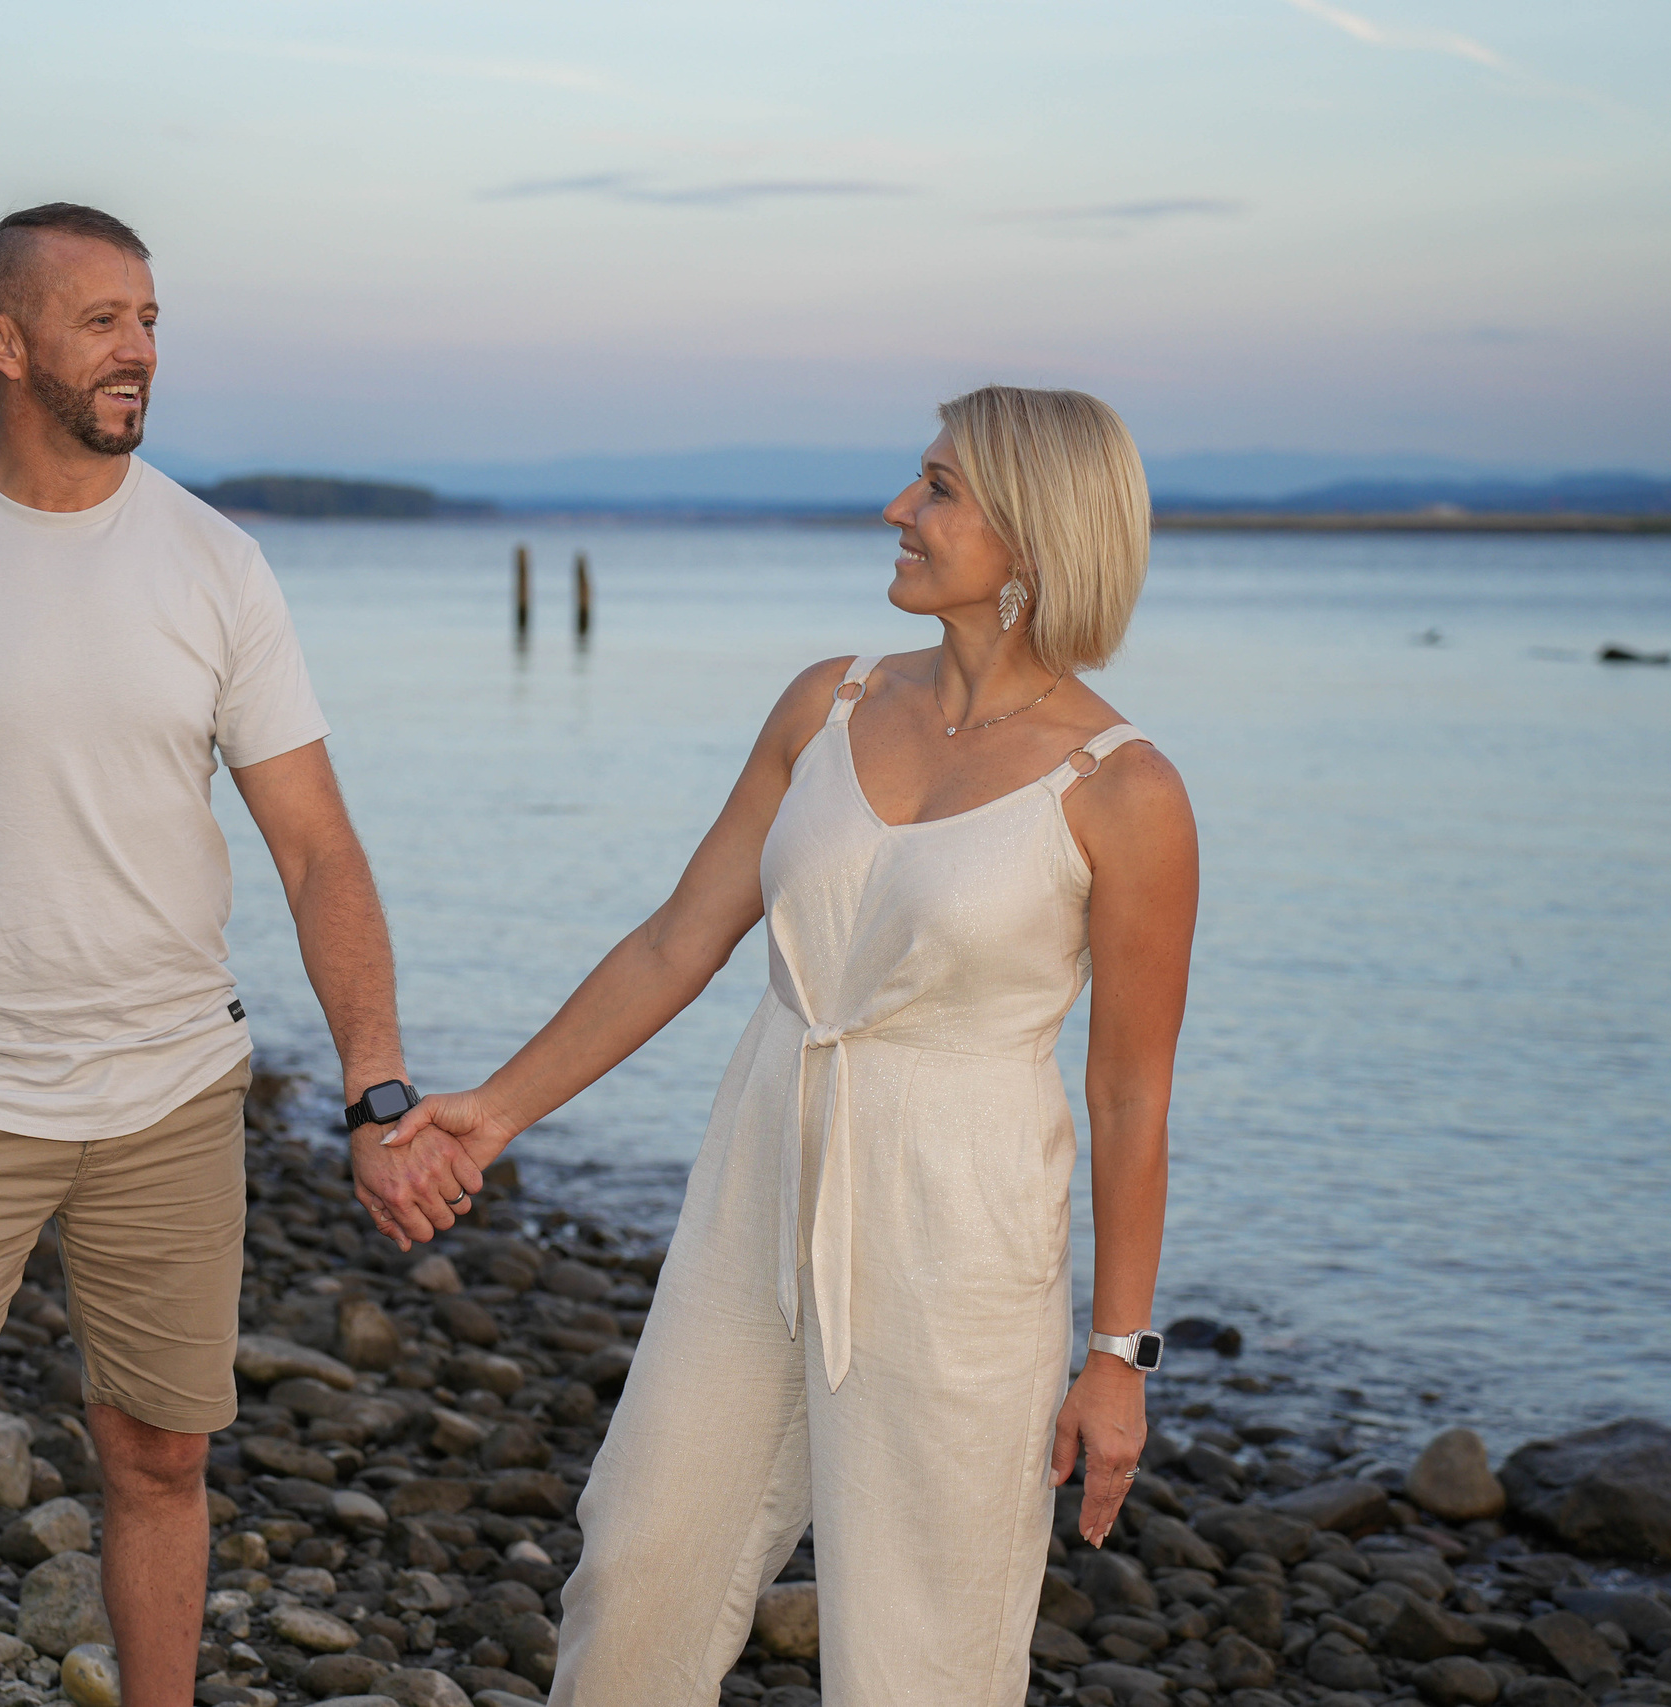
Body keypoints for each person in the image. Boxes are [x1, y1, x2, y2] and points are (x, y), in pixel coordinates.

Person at [0, 203, 484, 1707]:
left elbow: (317, 847)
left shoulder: (215, 563)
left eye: (150, 322)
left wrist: (378, 1089)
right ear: (5, 346)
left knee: (162, 1460)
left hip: (173, 1097)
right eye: (103, 322)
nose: (139, 353)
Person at [385, 386, 1198, 1704]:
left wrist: (1117, 1359)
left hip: (961, 1229)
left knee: (917, 1650)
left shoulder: (1125, 790)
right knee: (642, 1561)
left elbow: (1134, 1092)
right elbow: (677, 941)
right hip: (759, 1181)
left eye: (937, 488)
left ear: (1037, 533)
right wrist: (499, 1108)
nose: (898, 509)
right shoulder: (828, 702)